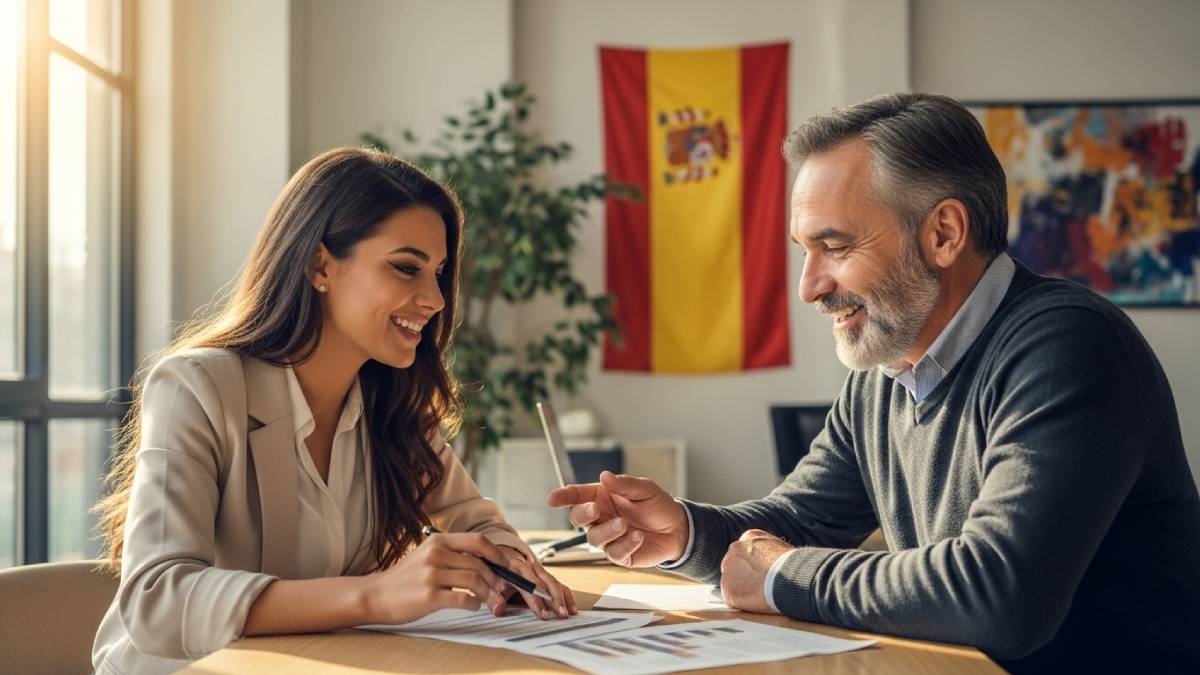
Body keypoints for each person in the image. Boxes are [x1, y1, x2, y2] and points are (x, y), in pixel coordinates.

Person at [549, 93, 1200, 673]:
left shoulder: (1068, 347)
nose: (809, 286)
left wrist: (783, 574)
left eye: (833, 246)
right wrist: (684, 531)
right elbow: (801, 519)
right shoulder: (888, 365)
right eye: (805, 250)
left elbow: (999, 595)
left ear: (944, 233)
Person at [92, 147, 576, 675]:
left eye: (438, 273)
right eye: (406, 268)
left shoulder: (390, 405)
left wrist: (511, 571)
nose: (435, 299)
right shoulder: (199, 385)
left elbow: (474, 518)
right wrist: (373, 596)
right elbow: (158, 600)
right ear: (319, 265)